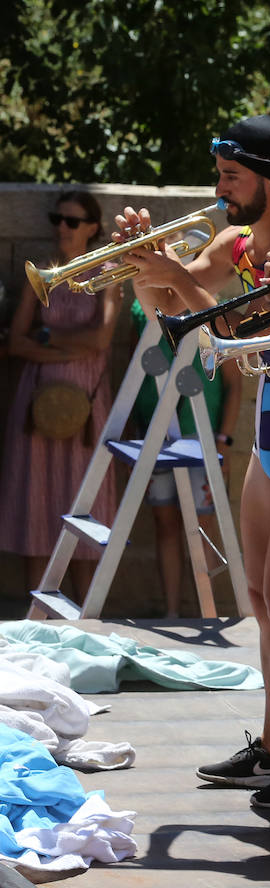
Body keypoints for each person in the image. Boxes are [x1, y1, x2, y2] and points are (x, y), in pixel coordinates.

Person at [116, 114, 270, 807]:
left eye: (230, 176)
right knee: (260, 601)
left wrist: (177, 282)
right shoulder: (235, 240)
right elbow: (168, 307)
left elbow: (233, 333)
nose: (219, 190)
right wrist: (141, 263)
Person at [0, 190, 119, 603]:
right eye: (57, 219)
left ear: (92, 227)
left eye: (71, 221)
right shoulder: (41, 272)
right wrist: (71, 346)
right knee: (36, 501)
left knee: (84, 500)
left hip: (85, 402)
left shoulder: (105, 271)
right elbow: (15, 342)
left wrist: (47, 338)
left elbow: (102, 338)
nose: (61, 228)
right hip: (38, 400)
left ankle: (86, 616)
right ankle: (40, 612)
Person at [128, 298, 242, 618]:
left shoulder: (207, 307)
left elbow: (233, 381)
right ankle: (173, 612)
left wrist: (225, 439)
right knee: (164, 524)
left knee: (201, 527)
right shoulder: (142, 308)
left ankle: (207, 612)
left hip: (201, 434)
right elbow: (136, 367)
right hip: (155, 432)